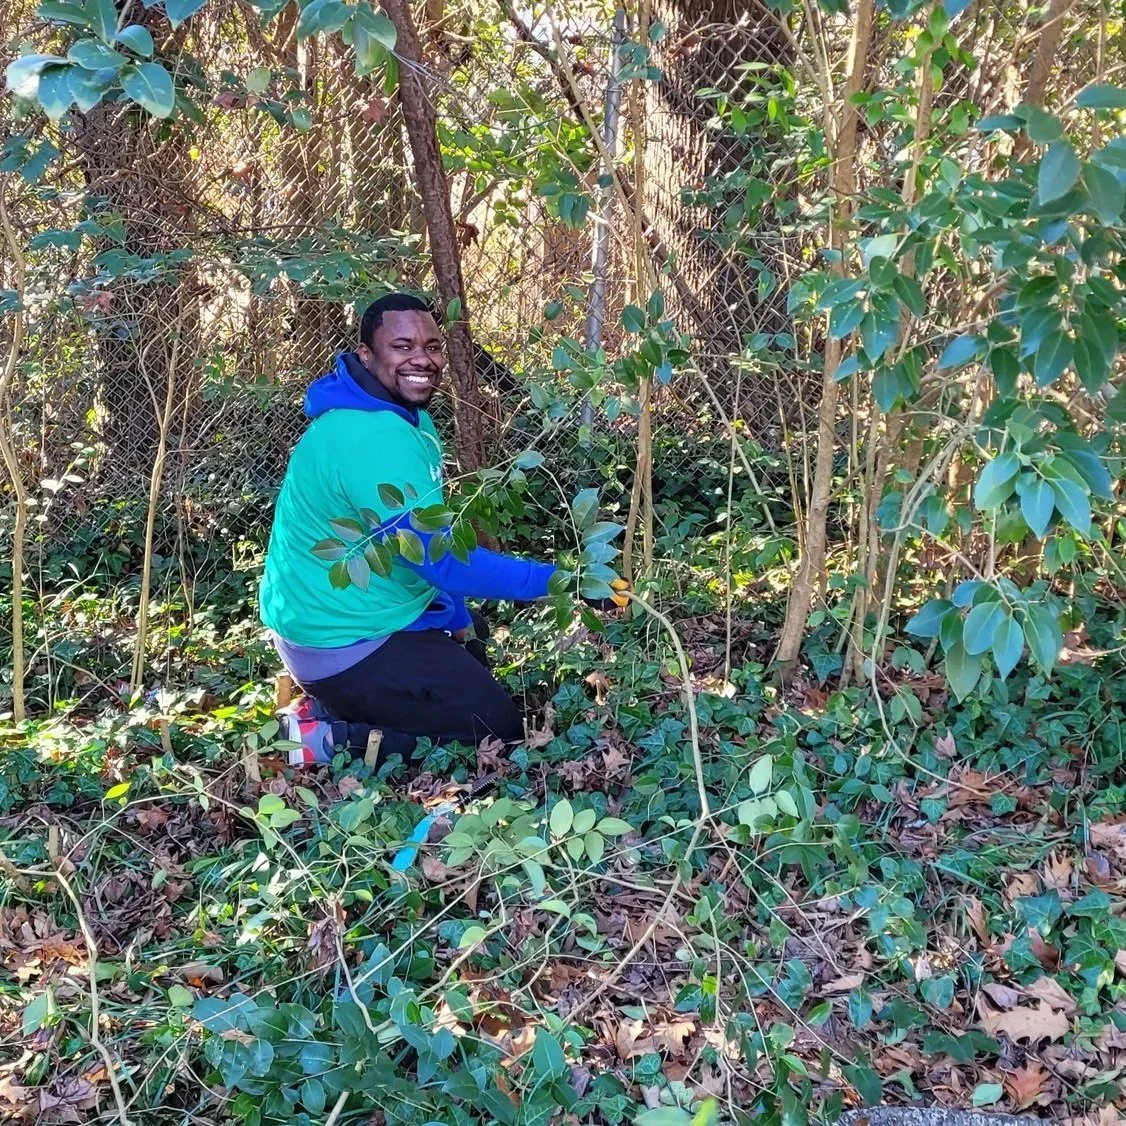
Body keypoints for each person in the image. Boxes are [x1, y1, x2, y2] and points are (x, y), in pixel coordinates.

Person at [260, 292, 560, 765]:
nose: (422, 359)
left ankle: (348, 703)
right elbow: (441, 560)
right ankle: (322, 736)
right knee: (496, 733)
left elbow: (425, 539)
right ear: (366, 354)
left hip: (358, 616)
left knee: (474, 635)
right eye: (402, 347)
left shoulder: (405, 417)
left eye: (432, 346)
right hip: (341, 641)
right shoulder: (371, 438)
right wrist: (563, 582)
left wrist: (454, 614)